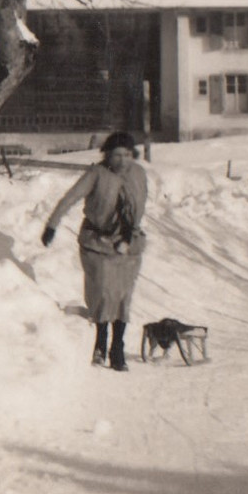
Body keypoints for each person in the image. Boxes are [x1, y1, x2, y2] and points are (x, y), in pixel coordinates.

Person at [41, 130, 149, 372]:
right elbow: (69, 199)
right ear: (107, 155)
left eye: (127, 155)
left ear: (133, 155)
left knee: (123, 296)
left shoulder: (139, 174)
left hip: (128, 244)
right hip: (97, 243)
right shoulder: (96, 174)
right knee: (102, 292)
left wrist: (128, 231)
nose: (122, 160)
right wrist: (52, 225)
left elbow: (141, 201)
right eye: (116, 155)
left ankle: (117, 348)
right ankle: (100, 343)